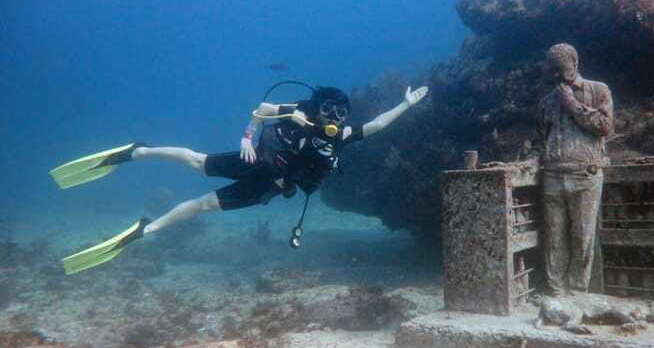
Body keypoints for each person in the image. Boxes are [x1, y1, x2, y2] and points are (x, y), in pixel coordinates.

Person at [51, 83, 429, 274]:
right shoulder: (297, 113)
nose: (335, 118)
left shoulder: (341, 137)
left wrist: (408, 105)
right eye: (329, 109)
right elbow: (261, 109)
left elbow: (377, 125)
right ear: (317, 107)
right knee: (197, 163)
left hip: (267, 187)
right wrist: (248, 136)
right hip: (256, 160)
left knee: (202, 206)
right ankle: (138, 151)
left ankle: (143, 231)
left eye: (341, 112)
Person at [534, 43, 613, 295]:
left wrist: (571, 103)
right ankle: (556, 292)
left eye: (562, 70)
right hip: (552, 177)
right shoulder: (546, 103)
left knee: (582, 238)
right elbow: (540, 140)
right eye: (552, 71)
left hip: (585, 175)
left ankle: (577, 292)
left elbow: (604, 127)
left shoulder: (598, 90)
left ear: (576, 64)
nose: (557, 76)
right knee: (554, 239)